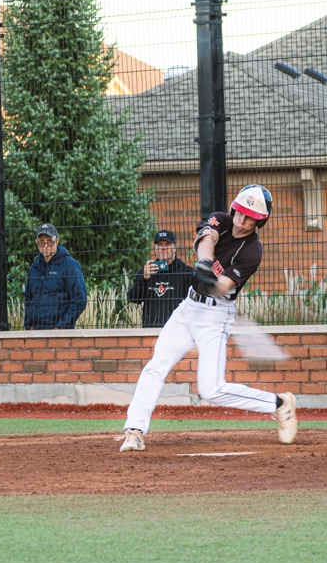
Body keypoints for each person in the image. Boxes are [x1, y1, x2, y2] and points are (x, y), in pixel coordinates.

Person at [119, 184, 298, 452]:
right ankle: (134, 431)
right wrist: (204, 265)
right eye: (240, 212)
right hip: (188, 308)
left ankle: (279, 404)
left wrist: (212, 284)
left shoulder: (252, 251)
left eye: (250, 217)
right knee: (156, 365)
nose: (241, 220)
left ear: (260, 221)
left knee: (211, 389)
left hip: (216, 314)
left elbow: (224, 286)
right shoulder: (222, 219)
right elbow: (207, 239)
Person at [24, 222, 87, 330]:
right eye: (41, 242)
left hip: (59, 335)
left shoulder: (69, 265)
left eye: (49, 241)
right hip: (35, 333)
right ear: (36, 243)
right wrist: (29, 326)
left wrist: (60, 327)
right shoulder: (34, 267)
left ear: (57, 241)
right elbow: (28, 298)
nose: (45, 246)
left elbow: (79, 300)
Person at [127, 229, 193, 327]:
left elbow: (195, 302)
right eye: (160, 245)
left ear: (174, 247)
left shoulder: (187, 272)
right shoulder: (147, 270)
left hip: (177, 330)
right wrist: (144, 279)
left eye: (167, 244)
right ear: (155, 248)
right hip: (151, 330)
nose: (163, 248)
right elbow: (133, 298)